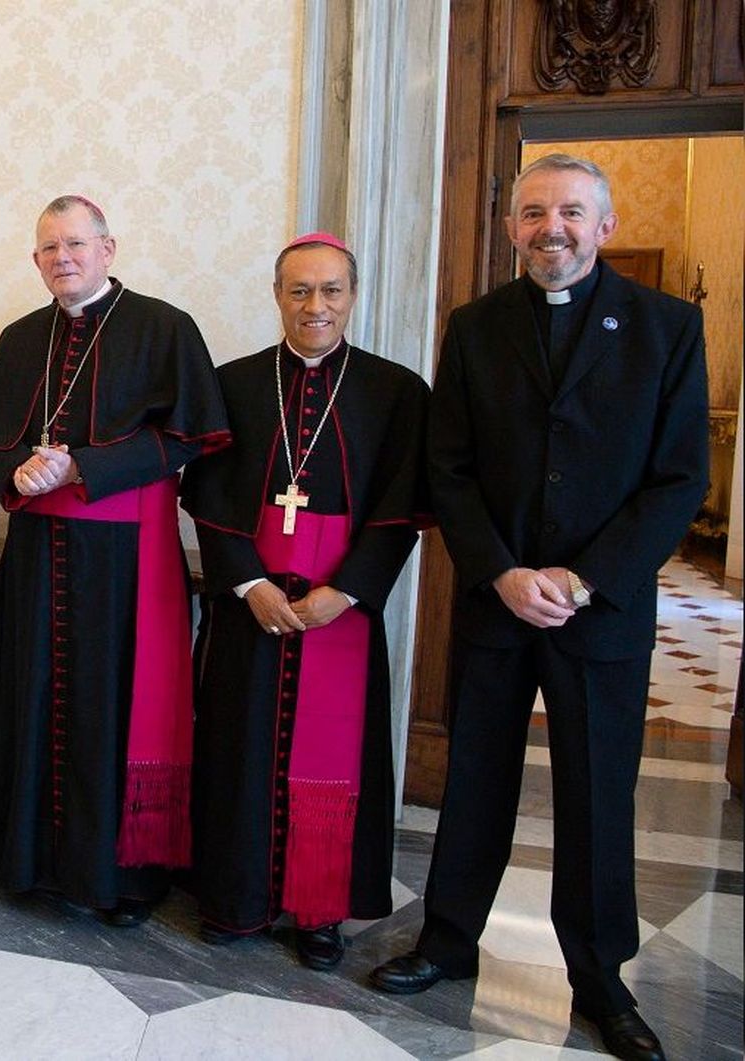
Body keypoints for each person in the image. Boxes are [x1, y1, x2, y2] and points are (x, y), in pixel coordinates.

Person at [370, 154, 708, 1061]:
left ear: (604, 225)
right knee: (475, 778)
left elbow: (680, 478)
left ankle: (600, 977)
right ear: (511, 226)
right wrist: (504, 572)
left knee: (597, 793)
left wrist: (585, 579)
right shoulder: (476, 326)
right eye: (532, 212)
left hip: (602, 610)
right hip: (499, 601)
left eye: (569, 212)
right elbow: (448, 466)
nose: (550, 227)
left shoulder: (667, 326)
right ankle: (448, 939)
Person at [0, 196, 230, 925]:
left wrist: (85, 466)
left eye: (76, 244)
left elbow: (191, 436)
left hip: (125, 560)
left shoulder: (164, 327)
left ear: (108, 249)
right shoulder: (22, 338)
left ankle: (121, 879)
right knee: (33, 695)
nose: (63, 258)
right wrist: (17, 469)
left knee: (114, 704)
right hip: (37, 557)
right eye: (49, 248)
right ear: (36, 259)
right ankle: (30, 863)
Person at [180, 233, 431, 969]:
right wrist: (249, 584)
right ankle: (234, 898)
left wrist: (345, 593)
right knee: (237, 747)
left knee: (333, 755)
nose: (315, 306)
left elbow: (402, 509)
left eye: (330, 290)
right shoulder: (233, 384)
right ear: (277, 296)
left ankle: (319, 911)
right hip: (248, 605)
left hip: (339, 611)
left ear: (352, 296)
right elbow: (209, 499)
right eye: (299, 291)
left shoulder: (397, 392)